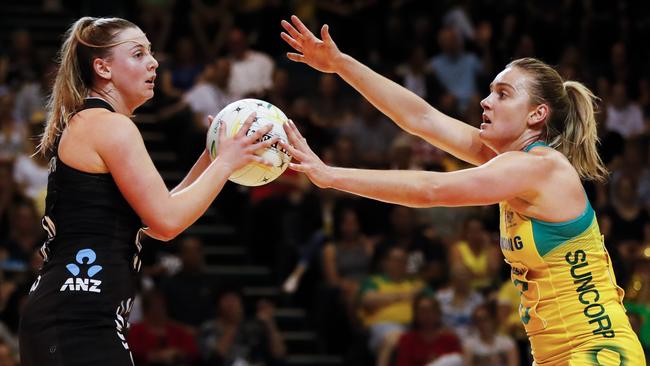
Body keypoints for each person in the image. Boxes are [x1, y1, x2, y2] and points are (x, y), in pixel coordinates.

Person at [279, 15, 645, 365]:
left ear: (536, 114)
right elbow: (420, 119)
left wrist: (330, 175)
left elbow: (430, 190)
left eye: (502, 94)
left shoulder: (537, 167)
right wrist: (341, 64)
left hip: (598, 349)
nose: (486, 102)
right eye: (489, 92)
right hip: (556, 354)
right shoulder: (512, 161)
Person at [18, 16, 278, 366]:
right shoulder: (110, 126)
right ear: (103, 67)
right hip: (78, 316)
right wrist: (226, 164)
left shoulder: (94, 122)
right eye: (138, 54)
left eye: (151, 52)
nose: (154, 62)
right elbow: (168, 221)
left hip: (73, 313)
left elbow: (157, 220)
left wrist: (211, 155)